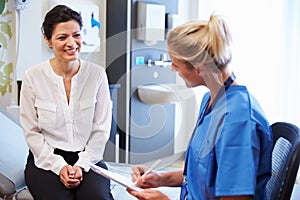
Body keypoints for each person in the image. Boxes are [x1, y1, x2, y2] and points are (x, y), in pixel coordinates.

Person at [127, 14, 273, 200]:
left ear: (199, 69)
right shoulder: (210, 100)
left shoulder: (238, 122)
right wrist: (159, 179)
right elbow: (202, 173)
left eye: (176, 64)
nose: (172, 68)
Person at [19, 5, 114, 200]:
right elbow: (31, 132)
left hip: (88, 158)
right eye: (62, 37)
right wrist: (59, 165)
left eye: (77, 35)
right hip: (45, 160)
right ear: (48, 40)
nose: (72, 43)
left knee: (97, 197)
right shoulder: (33, 76)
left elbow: (101, 129)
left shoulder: (96, 75)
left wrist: (81, 164)